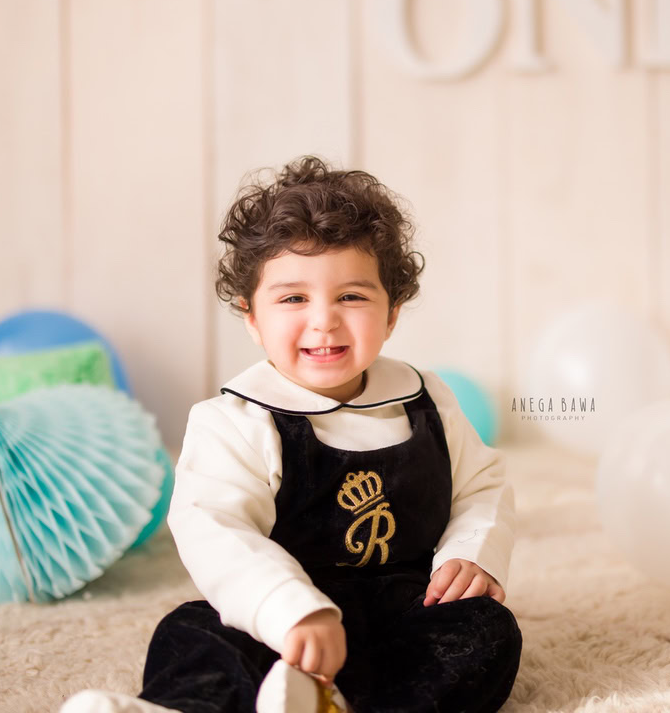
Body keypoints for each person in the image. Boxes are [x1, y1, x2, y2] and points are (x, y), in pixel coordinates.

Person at [60, 156, 520, 713]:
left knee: (486, 631)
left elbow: (481, 486)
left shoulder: (426, 401)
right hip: (283, 623)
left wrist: (471, 554)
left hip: (406, 612)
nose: (323, 320)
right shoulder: (235, 421)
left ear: (392, 314)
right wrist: (287, 608)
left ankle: (343, 706)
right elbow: (216, 529)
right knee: (193, 632)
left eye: (352, 296)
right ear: (251, 317)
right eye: (293, 298)